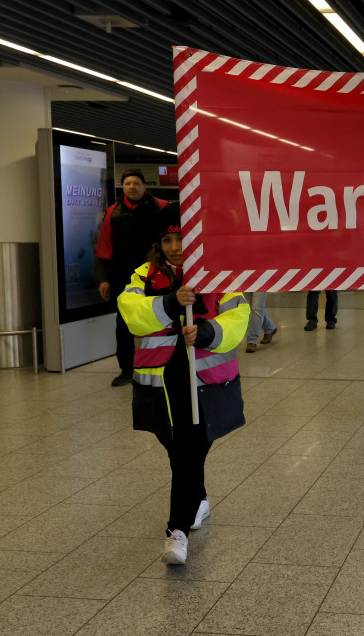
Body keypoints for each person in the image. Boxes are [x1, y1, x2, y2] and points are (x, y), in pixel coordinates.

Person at [117, 203, 249, 566]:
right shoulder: (142, 276)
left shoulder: (221, 274)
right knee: (180, 451)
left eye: (183, 239)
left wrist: (207, 330)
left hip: (205, 383)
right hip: (161, 384)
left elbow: (238, 316)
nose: (176, 247)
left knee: (190, 449)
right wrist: (170, 302)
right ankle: (199, 498)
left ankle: (177, 532)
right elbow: (131, 313)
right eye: (168, 239)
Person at [97, 169, 168, 387]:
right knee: (124, 322)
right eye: (127, 183)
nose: (132, 187)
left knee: (161, 317)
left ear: (144, 186)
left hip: (155, 272)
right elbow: (105, 245)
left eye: (136, 183)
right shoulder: (113, 212)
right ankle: (126, 369)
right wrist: (104, 278)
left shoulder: (162, 207)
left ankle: (163, 364)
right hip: (122, 275)